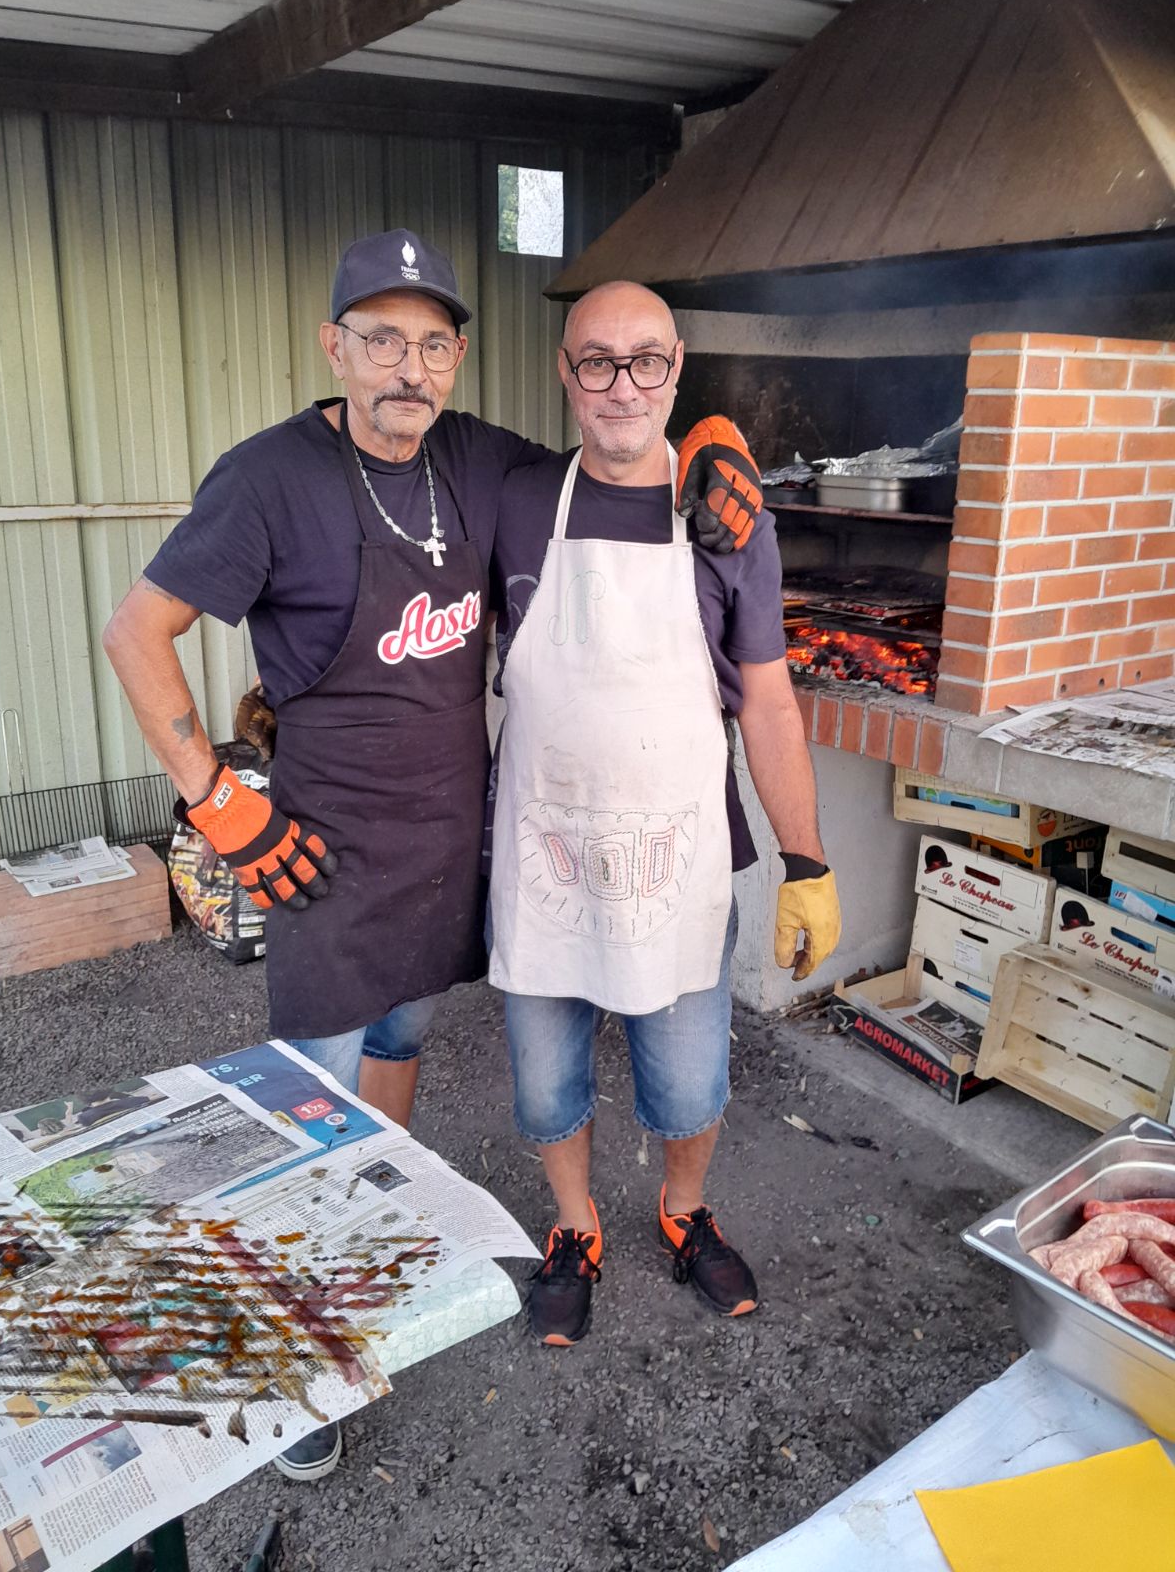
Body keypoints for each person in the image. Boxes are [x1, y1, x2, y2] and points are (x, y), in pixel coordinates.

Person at [102, 230, 764, 1479]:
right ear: (334, 346)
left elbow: (620, 452)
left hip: (450, 842)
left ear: (457, 358)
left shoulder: (476, 461)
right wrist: (213, 799)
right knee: (308, 1095)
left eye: (430, 343)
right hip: (321, 856)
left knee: (401, 1048)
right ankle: (298, 1370)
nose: (405, 366)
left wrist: (721, 439)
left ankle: (373, 1241)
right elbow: (138, 631)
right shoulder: (270, 478)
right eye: (380, 338)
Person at [487, 281, 842, 1346]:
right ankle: (575, 1224)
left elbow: (769, 699)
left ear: (678, 368)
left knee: (690, 1082)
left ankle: (684, 1214)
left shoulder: (726, 515)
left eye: (647, 361)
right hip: (547, 855)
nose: (622, 384)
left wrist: (807, 859)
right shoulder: (509, 495)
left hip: (677, 860)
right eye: (597, 361)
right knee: (548, 1086)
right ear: (565, 372)